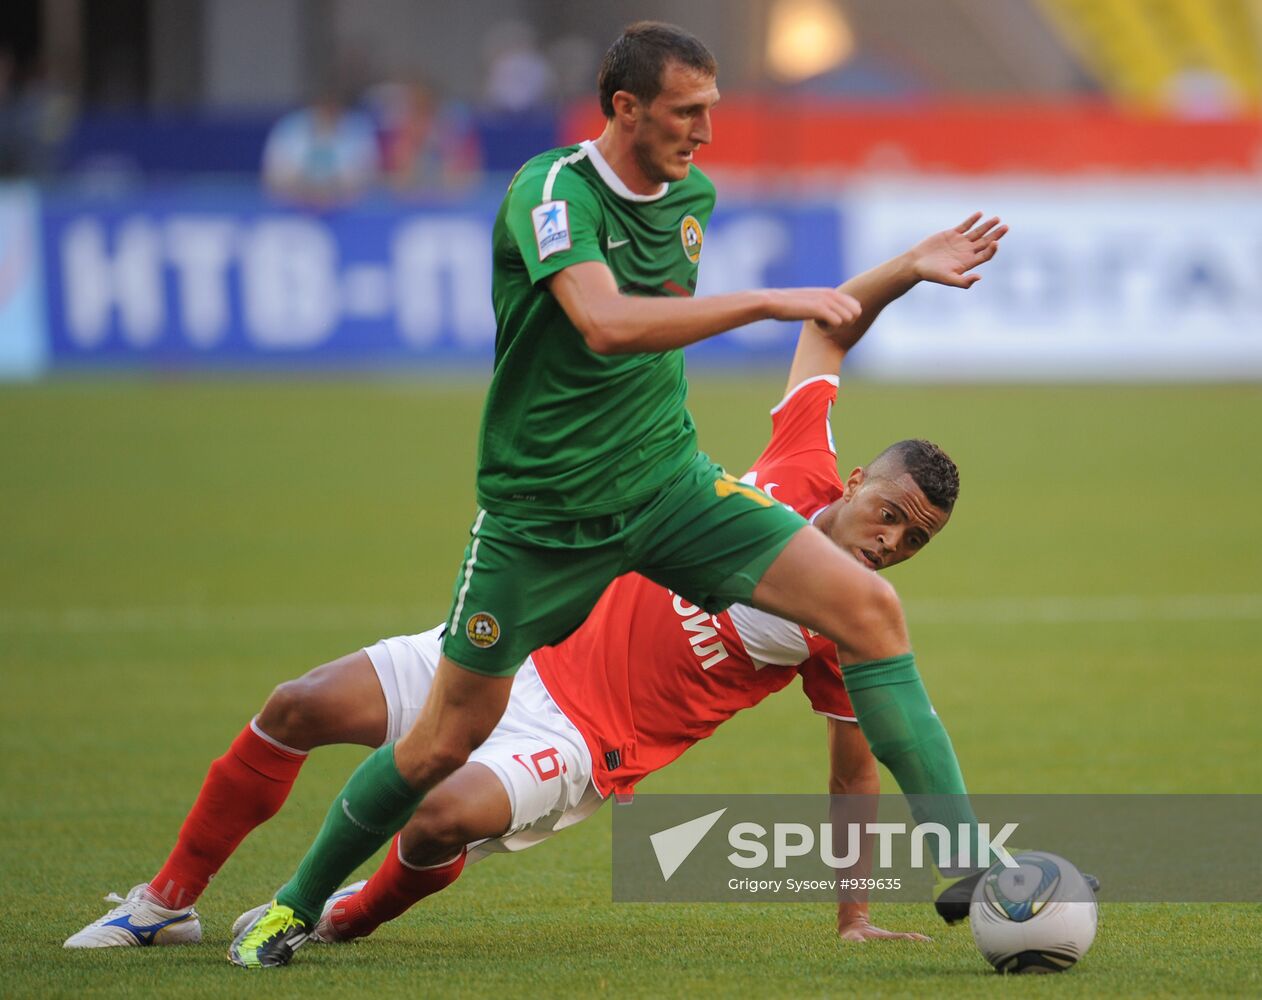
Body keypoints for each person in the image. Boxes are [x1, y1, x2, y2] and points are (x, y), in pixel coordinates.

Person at [228, 21, 1005, 968]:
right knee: (436, 746)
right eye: (690, 111)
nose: (706, 131)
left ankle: (970, 863)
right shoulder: (556, 193)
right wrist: (773, 299)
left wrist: (903, 271)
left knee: (872, 614)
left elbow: (852, 764)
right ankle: (294, 904)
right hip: (546, 521)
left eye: (713, 111)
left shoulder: (694, 194)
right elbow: (604, 324)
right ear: (627, 106)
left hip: (664, 497)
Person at [66, 213, 999, 953]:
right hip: (520, 637)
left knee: (435, 817)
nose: (891, 543)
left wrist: (852, 916)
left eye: (915, 541)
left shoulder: (839, 625)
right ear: (856, 482)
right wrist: (908, 267)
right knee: (297, 705)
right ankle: (165, 902)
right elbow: (833, 329)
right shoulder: (797, 466)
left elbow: (853, 767)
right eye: (889, 514)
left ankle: (350, 912)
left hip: (584, 738)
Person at [261, 87, 379, 208]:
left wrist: (331, 190)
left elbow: (367, 179)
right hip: (293, 208)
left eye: (333, 105)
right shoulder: (288, 128)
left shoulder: (358, 128)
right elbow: (274, 178)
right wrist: (308, 189)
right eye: (324, 104)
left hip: (348, 208)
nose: (327, 110)